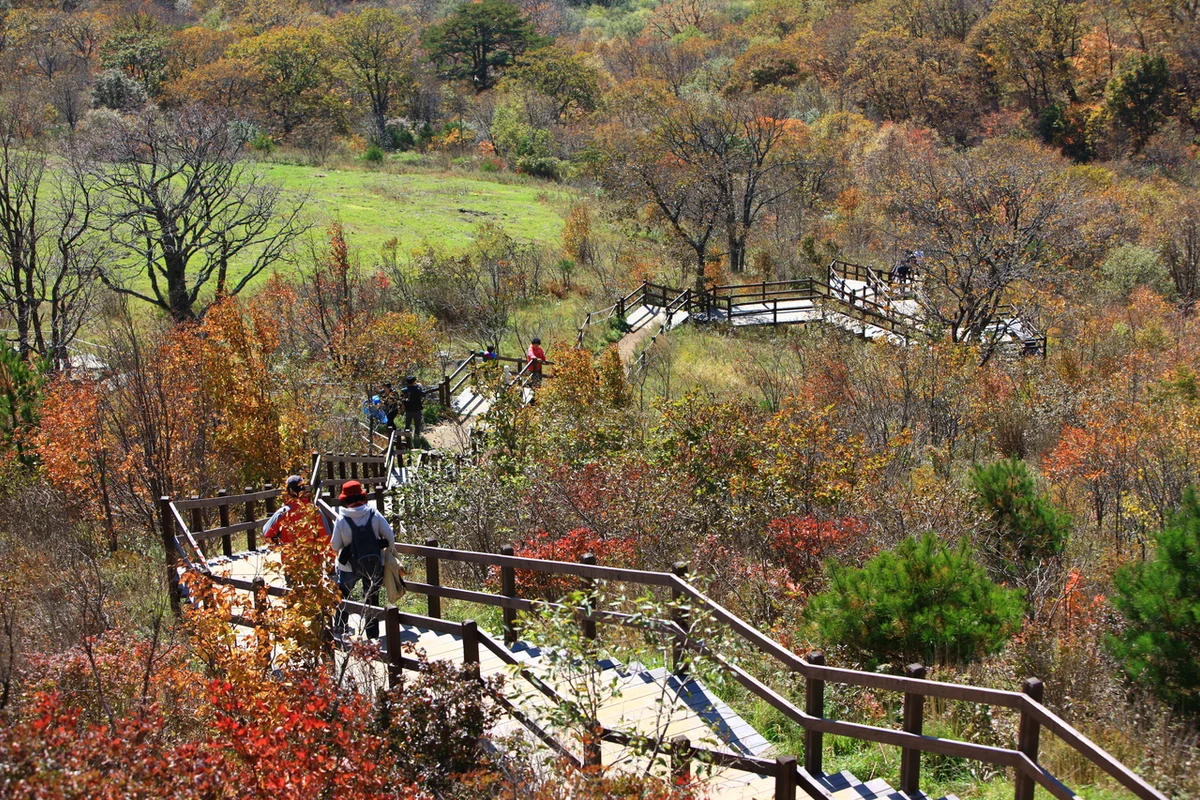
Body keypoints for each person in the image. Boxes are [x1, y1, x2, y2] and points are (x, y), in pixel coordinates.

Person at [330, 480, 395, 639]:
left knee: (343, 598)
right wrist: (386, 555)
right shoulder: (374, 514)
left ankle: (341, 632)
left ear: (345, 499)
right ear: (362, 496)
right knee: (372, 599)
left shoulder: (342, 519)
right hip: (373, 564)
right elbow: (390, 537)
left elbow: (334, 546)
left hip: (348, 567)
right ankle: (372, 637)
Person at [263, 475, 330, 585]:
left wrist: (278, 542)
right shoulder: (315, 512)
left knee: (293, 592)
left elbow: (266, 533)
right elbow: (327, 537)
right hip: (313, 565)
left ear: (288, 492)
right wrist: (330, 561)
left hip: (291, 564)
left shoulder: (282, 513)